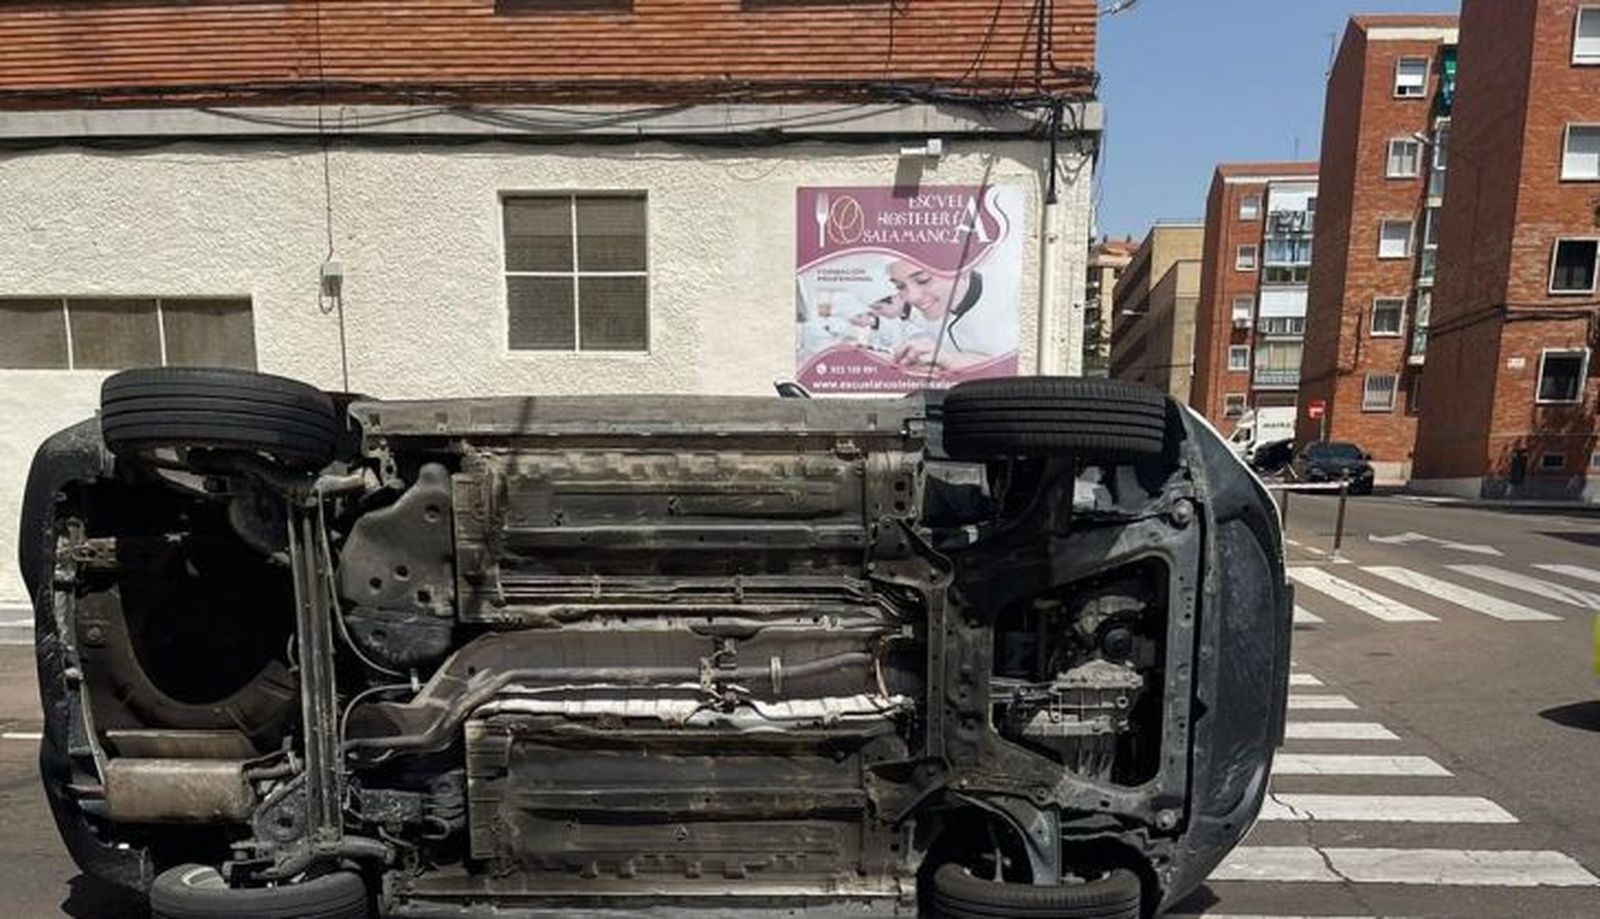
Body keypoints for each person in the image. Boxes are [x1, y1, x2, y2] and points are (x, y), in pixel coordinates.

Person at [884, 258, 1012, 374]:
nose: (912, 297)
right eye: (900, 286)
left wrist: (953, 360)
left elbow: (1013, 372)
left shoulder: (1008, 299)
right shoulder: (919, 314)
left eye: (923, 280)